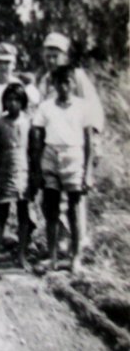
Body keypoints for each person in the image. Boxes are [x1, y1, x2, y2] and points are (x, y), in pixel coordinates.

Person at [38, 32, 104, 249]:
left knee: (75, 199)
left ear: (65, 56)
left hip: (76, 148)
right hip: (52, 147)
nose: (50, 60)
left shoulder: (76, 77)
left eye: (55, 55)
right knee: (53, 200)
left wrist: (93, 147)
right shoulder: (46, 80)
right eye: (47, 55)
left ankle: (77, 245)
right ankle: (58, 245)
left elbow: (92, 111)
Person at [32, 65, 93, 272]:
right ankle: (53, 257)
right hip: (50, 155)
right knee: (51, 209)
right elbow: (38, 138)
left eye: (68, 81)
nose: (64, 86)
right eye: (60, 82)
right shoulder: (46, 107)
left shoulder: (83, 107)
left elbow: (89, 141)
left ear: (74, 84)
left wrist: (88, 171)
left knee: (74, 210)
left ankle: (75, 257)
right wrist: (38, 168)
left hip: (74, 156)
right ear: (54, 84)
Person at [0, 83, 34, 272]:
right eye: (9, 100)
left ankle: (21, 255)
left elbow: (33, 151)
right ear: (4, 102)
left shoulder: (29, 122)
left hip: (23, 173)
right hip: (4, 173)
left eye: (17, 100)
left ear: (23, 102)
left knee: (23, 216)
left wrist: (33, 177)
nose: (13, 104)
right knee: (1, 216)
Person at [0, 42, 40, 115]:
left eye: (7, 62)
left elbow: (35, 103)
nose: (3, 66)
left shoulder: (20, 85)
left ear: (14, 65)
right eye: (0, 62)